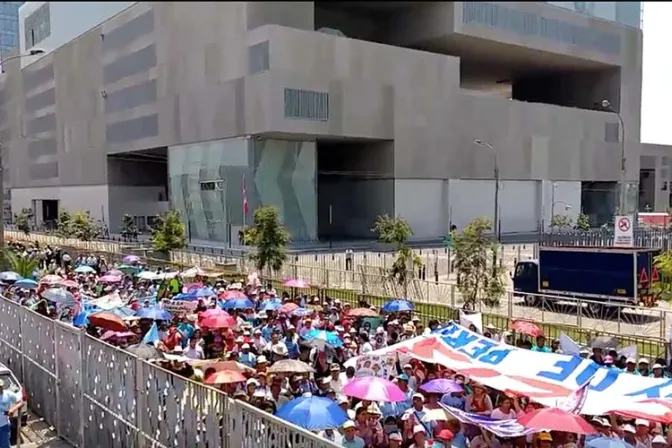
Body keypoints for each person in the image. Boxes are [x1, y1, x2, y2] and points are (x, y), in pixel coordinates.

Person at [0, 379, 22, 448]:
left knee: (4, 446)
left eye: (0, 386)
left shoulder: (8, 394)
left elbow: (20, 401)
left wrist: (13, 409)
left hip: (3, 426)